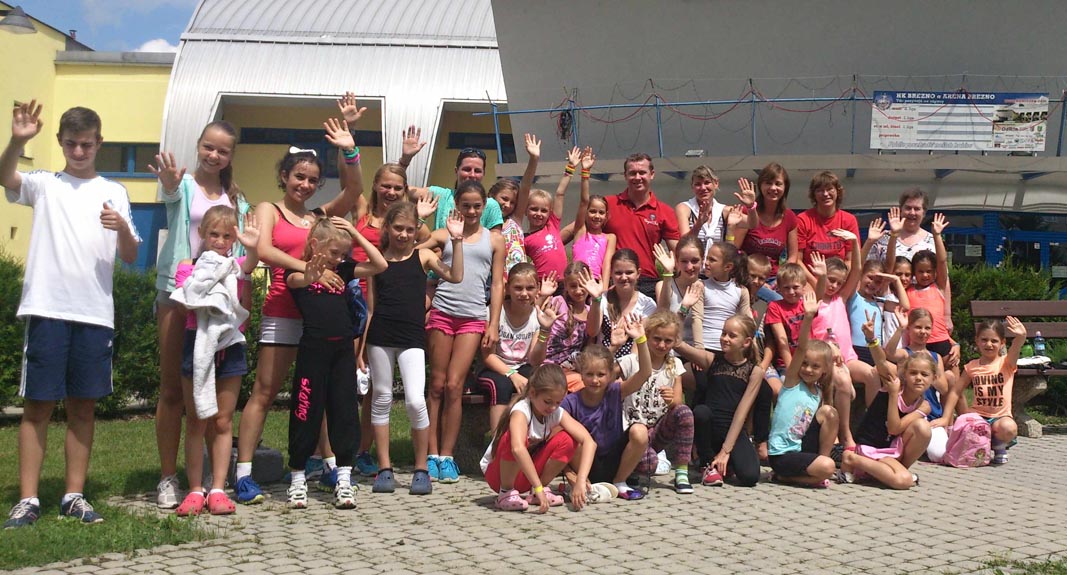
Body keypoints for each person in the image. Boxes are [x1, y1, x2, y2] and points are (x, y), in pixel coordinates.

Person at [2, 101, 141, 528]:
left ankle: (73, 496)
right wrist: (17, 141)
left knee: (83, 408)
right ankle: (28, 499)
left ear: (99, 143)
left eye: (86, 144)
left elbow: (130, 254)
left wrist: (122, 228)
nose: (78, 152)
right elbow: (6, 177)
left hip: (95, 314)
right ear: (61, 143)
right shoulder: (46, 184)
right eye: (71, 144)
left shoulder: (115, 192)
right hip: (47, 308)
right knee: (38, 407)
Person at [235, 111, 366, 505]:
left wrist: (349, 150)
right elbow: (264, 249)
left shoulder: (318, 217)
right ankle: (243, 473)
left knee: (319, 395)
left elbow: (354, 190)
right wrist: (310, 270)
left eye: (312, 180)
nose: (305, 185)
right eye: (299, 177)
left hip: (320, 319)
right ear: (284, 176)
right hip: (283, 310)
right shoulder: (269, 209)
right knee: (264, 391)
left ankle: (327, 466)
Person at [150, 121, 249, 509]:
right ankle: (167, 476)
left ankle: (210, 478)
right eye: (209, 147)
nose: (214, 155)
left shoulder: (236, 199)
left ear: (231, 156)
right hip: (178, 293)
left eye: (222, 150)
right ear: (198, 146)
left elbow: (243, 255)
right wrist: (169, 185)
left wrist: (242, 306)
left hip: (220, 306)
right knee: (173, 389)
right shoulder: (184, 185)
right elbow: (171, 196)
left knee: (212, 390)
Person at [283, 217, 387, 509]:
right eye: (334, 253)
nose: (339, 259)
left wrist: (353, 232)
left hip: (342, 352)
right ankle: (298, 478)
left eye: (343, 253)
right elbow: (296, 281)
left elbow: (380, 265)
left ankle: (343, 478)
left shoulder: (344, 269)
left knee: (345, 413)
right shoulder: (297, 271)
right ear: (315, 245)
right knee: (305, 413)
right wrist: (311, 275)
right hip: (313, 352)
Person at [365, 202, 464, 495]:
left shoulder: (423, 256)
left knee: (415, 401)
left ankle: (421, 468)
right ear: (387, 228)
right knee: (381, 398)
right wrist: (360, 349)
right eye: (398, 228)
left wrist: (457, 241)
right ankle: (384, 468)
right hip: (380, 336)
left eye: (410, 229)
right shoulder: (377, 261)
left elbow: (455, 276)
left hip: (411, 337)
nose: (404, 234)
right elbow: (371, 308)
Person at [171, 206, 259, 516]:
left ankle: (218, 488)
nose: (220, 241)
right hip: (197, 345)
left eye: (227, 236)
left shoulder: (236, 266)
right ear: (201, 233)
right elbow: (183, 304)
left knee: (222, 420)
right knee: (197, 420)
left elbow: (250, 264)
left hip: (230, 345)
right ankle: (195, 489)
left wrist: (252, 246)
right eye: (214, 234)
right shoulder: (189, 266)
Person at [420, 180, 506, 482]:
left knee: (455, 386)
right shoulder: (442, 235)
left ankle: (447, 455)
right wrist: (419, 219)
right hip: (443, 314)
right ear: (456, 205)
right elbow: (408, 249)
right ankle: (430, 453)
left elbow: (498, 284)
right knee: (437, 385)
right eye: (465, 205)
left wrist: (493, 323)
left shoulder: (494, 239)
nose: (471, 211)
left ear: (485, 207)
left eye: (476, 206)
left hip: (472, 318)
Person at [483, 364, 597, 513]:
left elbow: (589, 442)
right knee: (513, 438)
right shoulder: (521, 411)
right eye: (548, 402)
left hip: (527, 476)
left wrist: (580, 481)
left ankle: (538, 491)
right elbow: (517, 449)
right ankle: (505, 493)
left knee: (568, 440)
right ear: (532, 393)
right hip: (499, 476)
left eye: (558, 402)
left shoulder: (556, 412)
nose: (553, 408)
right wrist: (538, 487)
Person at [561, 317, 652, 500]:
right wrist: (570, 474)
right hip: (586, 464)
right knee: (569, 438)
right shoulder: (570, 402)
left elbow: (645, 373)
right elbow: (558, 445)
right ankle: (585, 485)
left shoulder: (615, 391)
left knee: (640, 431)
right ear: (581, 375)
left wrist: (641, 340)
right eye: (589, 374)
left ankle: (620, 483)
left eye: (601, 375)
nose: (595, 380)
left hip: (614, 460)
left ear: (610, 375)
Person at [619, 311, 695, 494]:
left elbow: (677, 401)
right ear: (647, 336)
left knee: (685, 412)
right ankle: (630, 469)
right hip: (632, 431)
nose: (662, 345)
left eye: (668, 341)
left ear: (675, 341)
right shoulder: (631, 361)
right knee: (650, 465)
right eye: (657, 339)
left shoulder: (674, 364)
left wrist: (671, 399)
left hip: (656, 430)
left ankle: (682, 472)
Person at [767, 290, 838, 487]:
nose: (808, 369)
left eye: (815, 367)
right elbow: (800, 348)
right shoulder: (792, 381)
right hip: (782, 455)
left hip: (801, 448)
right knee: (828, 467)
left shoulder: (818, 393)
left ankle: (821, 464)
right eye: (805, 364)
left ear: (824, 371)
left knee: (830, 413)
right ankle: (783, 476)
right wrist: (808, 318)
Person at [840, 344, 933, 490]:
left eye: (924, 374)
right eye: (913, 373)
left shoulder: (924, 405)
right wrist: (871, 340)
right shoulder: (894, 386)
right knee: (903, 481)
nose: (918, 378)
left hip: (890, 451)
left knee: (923, 428)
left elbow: (896, 429)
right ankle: (852, 458)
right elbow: (881, 362)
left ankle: (894, 470)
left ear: (933, 378)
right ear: (905, 375)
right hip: (870, 448)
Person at [691, 314, 766, 487]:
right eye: (723, 333)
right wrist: (683, 309)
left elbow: (741, 413)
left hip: (733, 430)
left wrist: (726, 450)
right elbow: (678, 344)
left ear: (746, 342)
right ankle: (707, 464)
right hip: (710, 428)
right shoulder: (712, 360)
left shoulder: (754, 371)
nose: (725, 338)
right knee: (701, 412)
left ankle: (726, 462)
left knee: (750, 477)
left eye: (732, 335)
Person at [602, 153, 679, 299]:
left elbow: (678, 251)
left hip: (648, 282)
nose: (637, 177)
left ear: (652, 174)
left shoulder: (665, 211)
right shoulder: (608, 204)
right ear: (625, 176)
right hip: (616, 280)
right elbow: (578, 229)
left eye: (642, 172)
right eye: (632, 173)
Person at [477, 263, 541, 433]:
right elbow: (487, 356)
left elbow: (534, 360)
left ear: (537, 289)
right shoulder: (494, 313)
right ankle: (497, 440)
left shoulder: (537, 316)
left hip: (522, 366)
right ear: (507, 288)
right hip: (493, 367)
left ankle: (528, 437)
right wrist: (512, 374)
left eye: (530, 288)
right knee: (502, 384)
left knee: (537, 381)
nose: (524, 293)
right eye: (518, 288)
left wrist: (545, 331)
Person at [885, 308, 954, 463]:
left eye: (927, 328)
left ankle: (923, 447)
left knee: (939, 455)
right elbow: (889, 353)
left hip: (932, 416)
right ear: (909, 329)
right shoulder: (905, 354)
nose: (923, 332)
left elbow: (943, 388)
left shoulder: (935, 357)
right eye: (918, 327)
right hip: (911, 416)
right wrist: (900, 328)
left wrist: (926, 369)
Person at [956, 317, 1027, 465]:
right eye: (984, 340)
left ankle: (999, 447)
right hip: (979, 416)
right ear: (977, 341)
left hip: (999, 418)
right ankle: (981, 448)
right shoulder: (971, 366)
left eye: (994, 341)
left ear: (1002, 343)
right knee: (966, 427)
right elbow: (956, 391)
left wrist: (1021, 337)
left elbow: (1015, 350)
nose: (989, 344)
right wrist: (959, 414)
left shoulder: (1006, 363)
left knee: (1008, 428)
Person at [732, 163, 797, 299]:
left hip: (775, 279)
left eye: (778, 184)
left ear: (785, 187)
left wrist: (780, 280)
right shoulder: (749, 213)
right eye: (768, 183)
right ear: (761, 186)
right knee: (778, 300)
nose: (773, 188)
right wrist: (757, 282)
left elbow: (792, 257)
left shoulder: (789, 217)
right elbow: (734, 251)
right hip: (748, 277)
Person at [906, 214, 959, 379]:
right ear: (914, 272)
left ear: (935, 272)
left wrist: (936, 235)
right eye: (920, 271)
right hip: (917, 345)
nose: (925, 275)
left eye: (929, 271)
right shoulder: (907, 290)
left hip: (941, 343)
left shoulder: (939, 287)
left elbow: (942, 261)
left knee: (952, 381)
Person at [540, 262, 604, 391]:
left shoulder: (592, 310)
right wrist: (542, 297)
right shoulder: (557, 303)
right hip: (549, 365)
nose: (578, 291)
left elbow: (592, 332)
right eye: (573, 286)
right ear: (566, 286)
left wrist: (596, 298)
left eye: (582, 285)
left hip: (572, 366)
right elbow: (535, 320)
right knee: (583, 384)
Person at [654, 237, 705, 392]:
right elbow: (662, 319)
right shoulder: (664, 285)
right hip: (670, 351)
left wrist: (698, 352)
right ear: (676, 262)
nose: (689, 267)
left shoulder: (706, 287)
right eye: (684, 261)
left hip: (698, 351)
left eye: (695, 261)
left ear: (702, 260)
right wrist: (668, 274)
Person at [524, 146, 581, 283]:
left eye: (543, 210)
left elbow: (560, 194)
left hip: (564, 282)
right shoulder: (524, 239)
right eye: (534, 209)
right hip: (543, 284)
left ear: (550, 213)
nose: (539, 214)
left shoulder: (552, 224)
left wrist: (571, 167)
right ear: (525, 210)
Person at [794, 171, 860, 286]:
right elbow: (797, 260)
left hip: (838, 283)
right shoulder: (803, 219)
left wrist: (837, 284)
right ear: (814, 195)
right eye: (820, 190)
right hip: (810, 281)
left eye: (830, 189)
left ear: (837, 191)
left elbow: (850, 260)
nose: (825, 194)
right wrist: (816, 284)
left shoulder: (849, 220)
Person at [489, 133, 538, 277]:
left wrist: (533, 159)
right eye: (504, 198)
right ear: (492, 195)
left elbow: (525, 187)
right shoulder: (485, 224)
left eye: (512, 202)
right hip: (498, 280)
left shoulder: (514, 220)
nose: (507, 205)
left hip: (521, 280)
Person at [560, 148, 611, 287]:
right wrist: (585, 172)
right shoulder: (580, 231)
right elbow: (584, 201)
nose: (597, 216)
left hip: (596, 284)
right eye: (592, 211)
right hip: (576, 283)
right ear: (586, 213)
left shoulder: (609, 238)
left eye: (601, 213)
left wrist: (604, 289)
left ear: (606, 216)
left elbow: (606, 264)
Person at [601, 249, 659, 358]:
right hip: (604, 359)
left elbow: (639, 347)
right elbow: (592, 333)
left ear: (638, 273)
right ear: (611, 274)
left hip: (634, 362)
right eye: (618, 273)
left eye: (629, 272)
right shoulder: (602, 300)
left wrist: (624, 367)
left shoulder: (647, 304)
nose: (624, 277)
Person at [699, 242, 752, 353]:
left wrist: (752, 350)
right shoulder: (701, 285)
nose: (706, 263)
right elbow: (697, 318)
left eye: (712, 260)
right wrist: (698, 347)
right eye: (706, 258)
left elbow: (748, 321)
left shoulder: (740, 290)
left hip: (728, 349)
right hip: (705, 346)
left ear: (728, 267)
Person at [676, 165, 728, 247]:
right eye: (698, 184)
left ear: (716, 183)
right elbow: (684, 243)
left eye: (707, 183)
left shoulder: (724, 210)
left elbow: (749, 223)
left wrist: (749, 206)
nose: (703, 188)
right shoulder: (684, 208)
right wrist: (698, 224)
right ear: (692, 186)